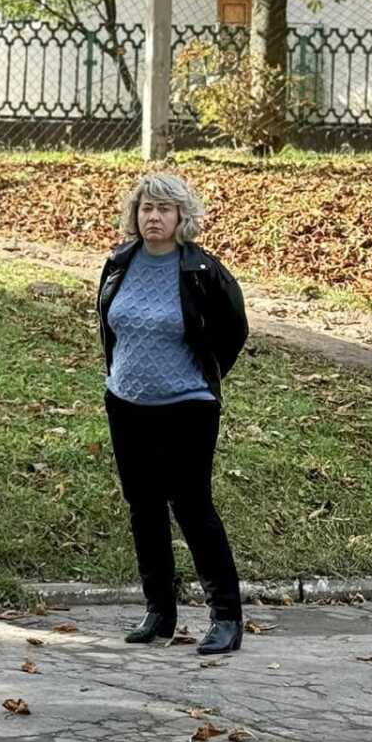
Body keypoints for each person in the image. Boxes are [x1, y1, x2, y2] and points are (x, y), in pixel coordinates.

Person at [97, 172, 250, 656]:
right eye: (146, 208)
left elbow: (232, 331)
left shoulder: (202, 270)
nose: (154, 217)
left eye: (164, 209)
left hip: (187, 406)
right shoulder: (119, 262)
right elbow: (111, 324)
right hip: (126, 402)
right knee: (143, 506)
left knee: (192, 508)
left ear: (182, 216)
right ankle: (159, 613)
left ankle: (226, 617)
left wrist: (198, 376)